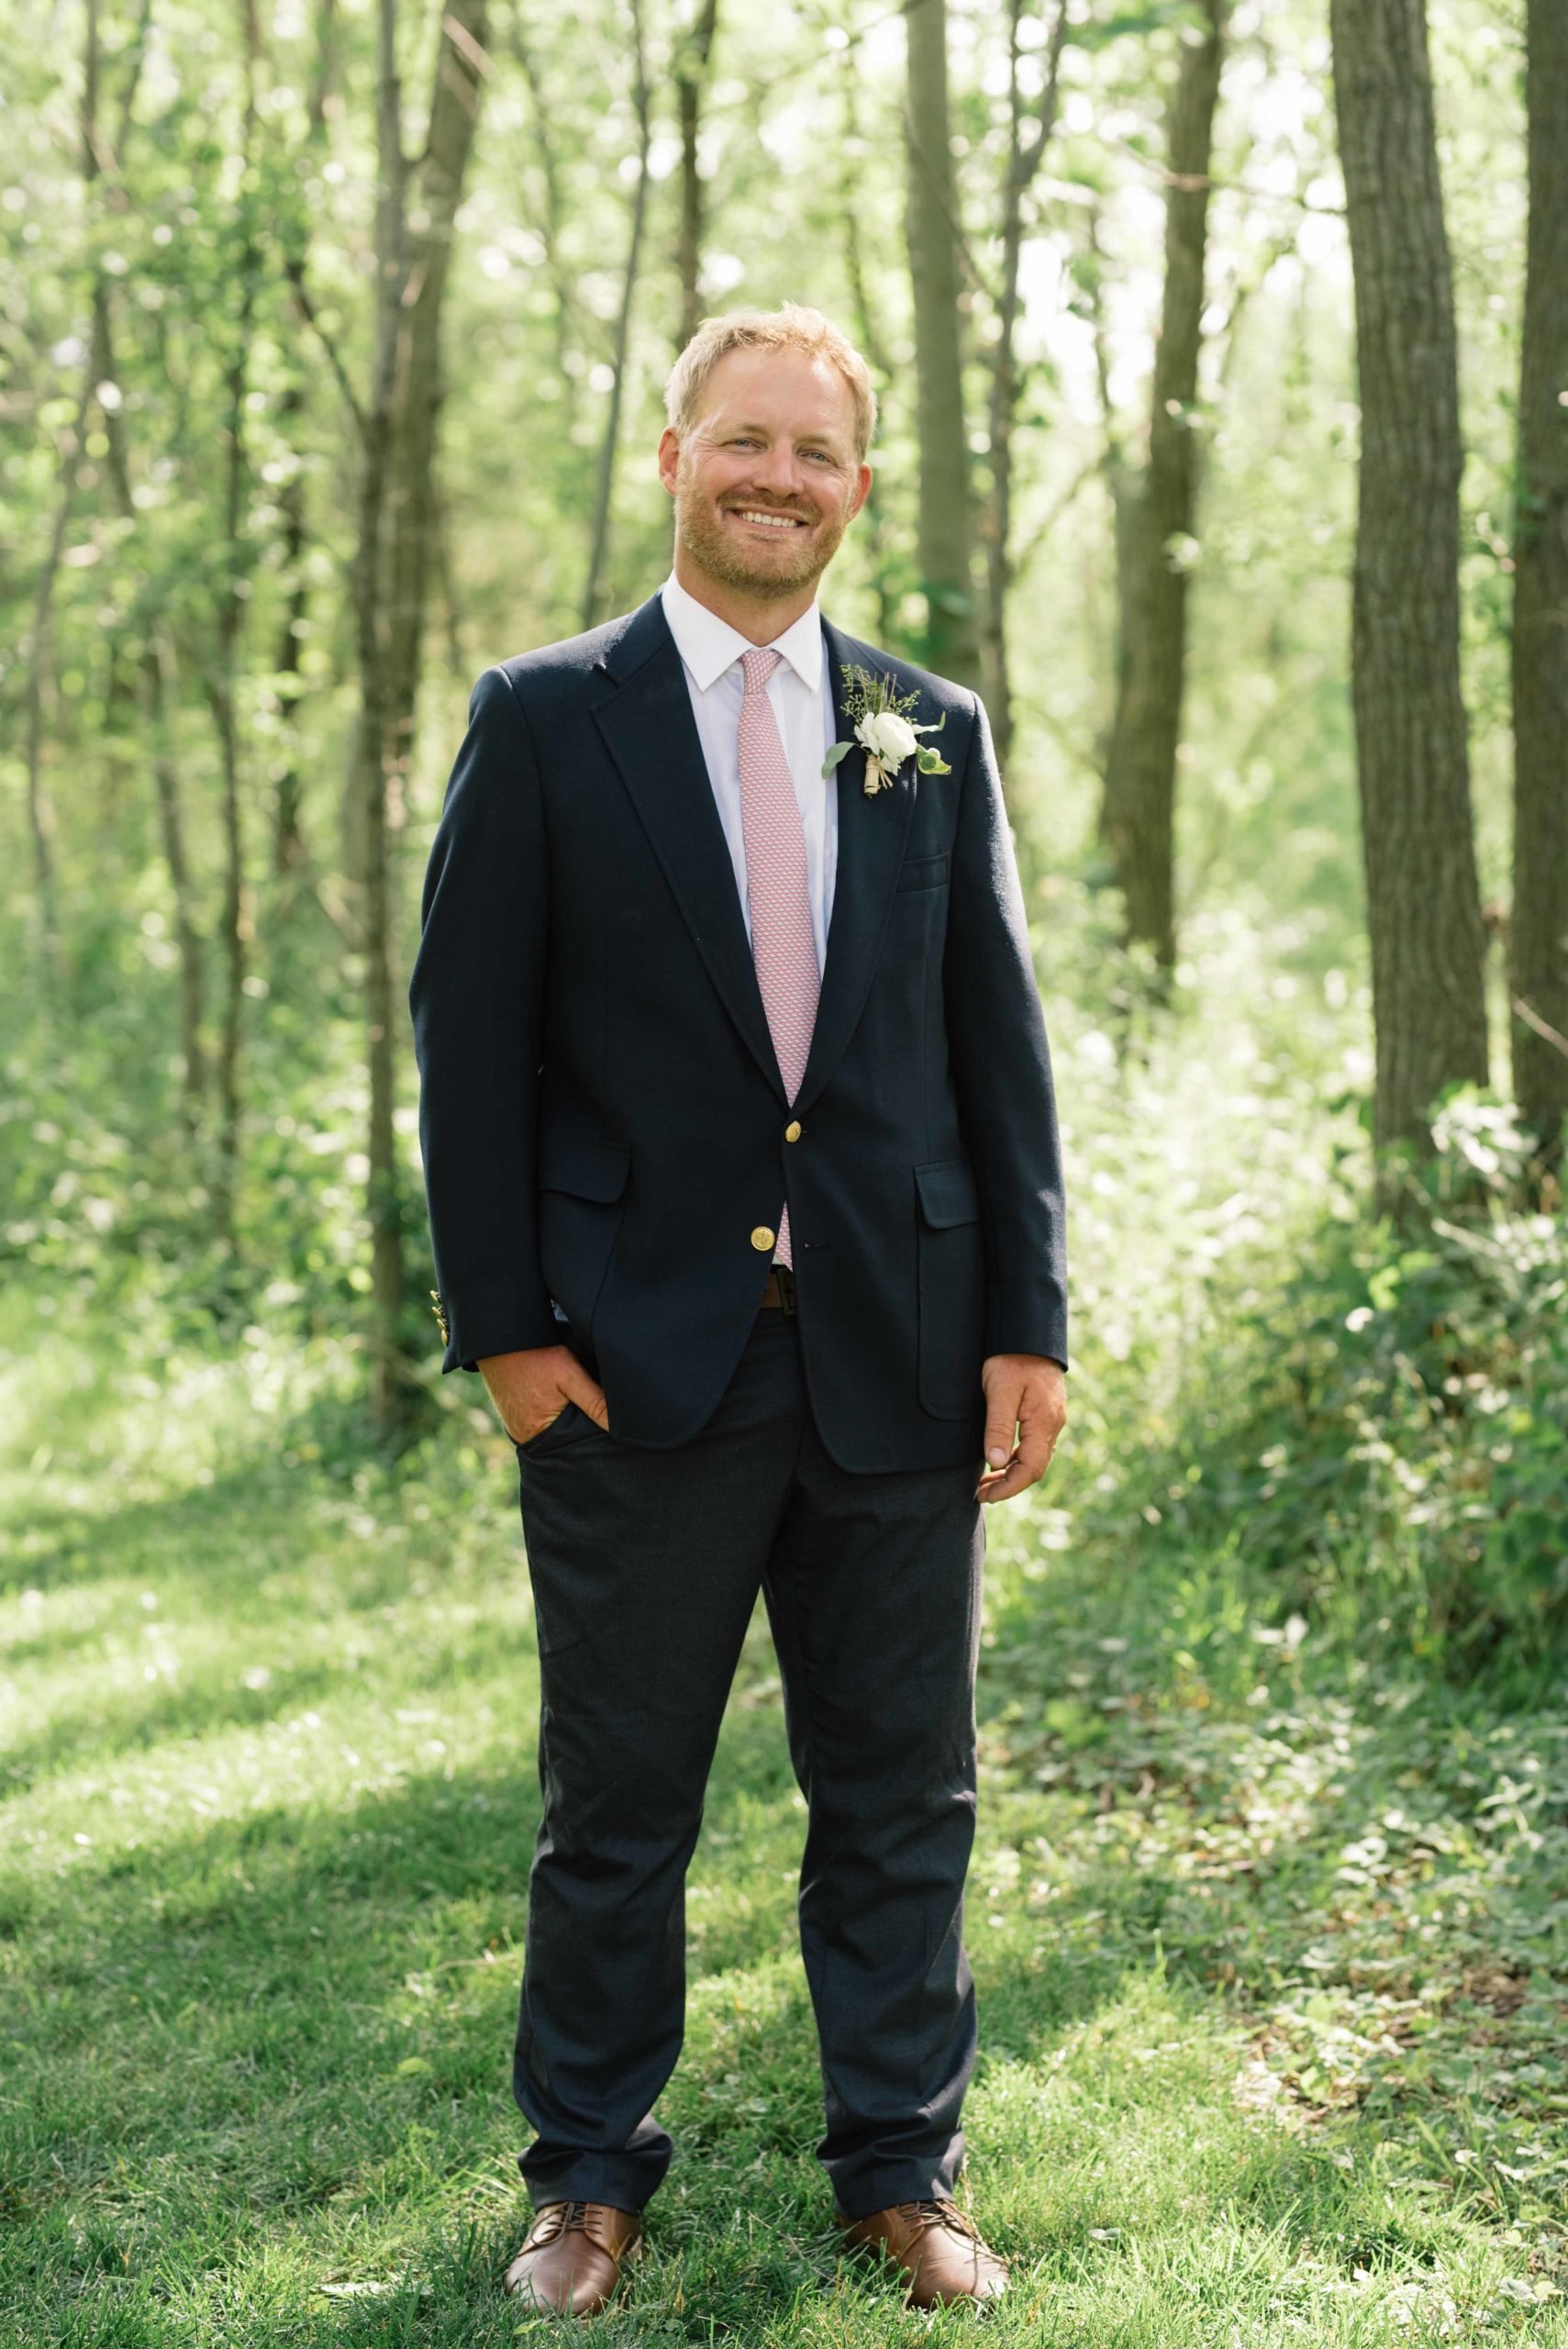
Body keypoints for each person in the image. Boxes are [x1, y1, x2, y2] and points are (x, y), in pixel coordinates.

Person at [409, 303, 1069, 2319]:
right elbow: (469, 1044)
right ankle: (589, 2170)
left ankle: (902, 2163)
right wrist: (511, 1338)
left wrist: (1028, 1318)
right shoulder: (547, 716)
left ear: (858, 484)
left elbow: (997, 1048)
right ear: (675, 451)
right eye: (745, 438)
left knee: (907, 1789)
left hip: (900, 1340)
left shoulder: (928, 728)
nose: (780, 475)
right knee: (617, 1799)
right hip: (629, 1363)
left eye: (817, 449)